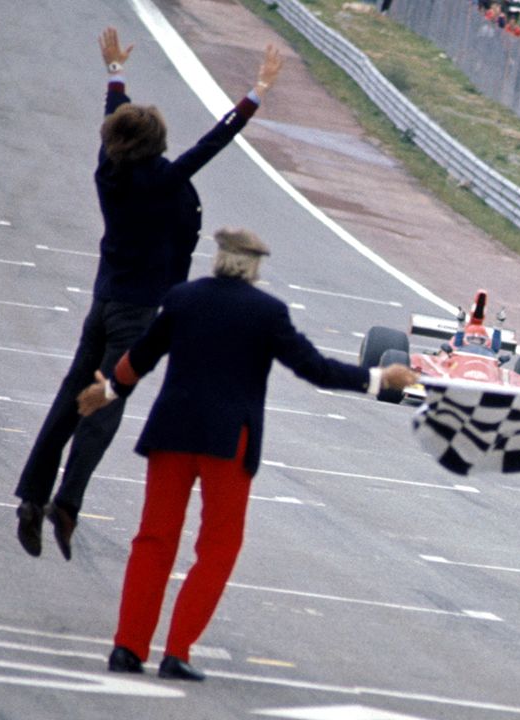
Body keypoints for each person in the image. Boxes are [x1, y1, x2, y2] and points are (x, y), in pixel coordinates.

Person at [78, 228, 418, 681]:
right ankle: (177, 651)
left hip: (171, 432)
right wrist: (379, 379)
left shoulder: (183, 298)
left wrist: (111, 388)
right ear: (254, 266)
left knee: (153, 540)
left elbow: (142, 355)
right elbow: (314, 369)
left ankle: (127, 647)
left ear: (218, 258)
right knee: (218, 546)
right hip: (227, 441)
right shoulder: (266, 312)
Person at [13, 29, 283, 561]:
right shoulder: (161, 180)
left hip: (103, 300)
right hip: (136, 313)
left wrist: (116, 74)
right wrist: (254, 94)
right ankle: (66, 504)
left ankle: (31, 495)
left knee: (70, 397)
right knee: (105, 405)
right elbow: (212, 142)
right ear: (157, 146)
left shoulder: (108, 168)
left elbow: (118, 118)